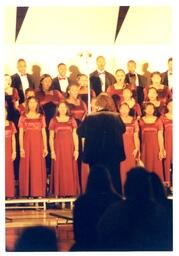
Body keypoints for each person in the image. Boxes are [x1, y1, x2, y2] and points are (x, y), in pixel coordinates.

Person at [98, 167, 172, 251]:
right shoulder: (161, 213)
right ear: (148, 188)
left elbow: (102, 234)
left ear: (126, 187)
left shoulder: (113, 212)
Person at [77, 93, 126, 195]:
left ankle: (96, 198)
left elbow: (80, 132)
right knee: (114, 176)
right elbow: (123, 130)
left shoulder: (90, 117)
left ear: (98, 104)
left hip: (95, 154)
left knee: (96, 177)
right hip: (113, 154)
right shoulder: (116, 117)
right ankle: (115, 198)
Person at [71, 165, 121, 251]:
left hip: (87, 246)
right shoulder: (116, 201)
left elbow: (78, 234)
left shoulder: (82, 202)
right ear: (108, 181)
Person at [18, 96, 48, 197]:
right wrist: (21, 148)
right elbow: (21, 133)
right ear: (27, 104)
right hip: (27, 143)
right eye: (30, 102)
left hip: (38, 144)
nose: (33, 104)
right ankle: (26, 192)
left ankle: (38, 192)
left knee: (37, 166)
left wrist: (45, 147)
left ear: (37, 104)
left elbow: (44, 132)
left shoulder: (41, 117)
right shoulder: (23, 116)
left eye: (34, 102)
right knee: (27, 166)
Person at [49, 101, 80, 197]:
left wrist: (76, 150)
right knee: (59, 169)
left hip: (69, 148)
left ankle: (70, 192)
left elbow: (75, 135)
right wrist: (52, 151)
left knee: (69, 168)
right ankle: (60, 193)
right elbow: (51, 137)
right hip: (58, 148)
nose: (62, 109)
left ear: (67, 109)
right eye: (60, 107)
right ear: (57, 109)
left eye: (64, 107)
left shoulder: (72, 120)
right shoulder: (53, 120)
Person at [139, 102, 166, 181]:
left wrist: (161, 149)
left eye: (152, 108)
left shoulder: (158, 121)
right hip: (144, 148)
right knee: (145, 167)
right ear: (144, 110)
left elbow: (160, 136)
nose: (150, 110)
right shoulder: (140, 121)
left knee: (156, 167)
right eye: (148, 108)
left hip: (155, 148)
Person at [119, 103, 140, 194]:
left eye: (126, 108)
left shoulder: (133, 121)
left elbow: (136, 136)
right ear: (119, 110)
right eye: (122, 108)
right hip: (119, 147)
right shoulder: (116, 120)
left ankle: (130, 190)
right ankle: (120, 190)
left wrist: (137, 148)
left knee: (131, 168)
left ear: (129, 110)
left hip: (131, 147)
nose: (124, 110)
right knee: (120, 168)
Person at [161, 100, 173, 187]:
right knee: (167, 164)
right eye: (170, 105)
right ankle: (167, 185)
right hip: (167, 144)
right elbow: (160, 133)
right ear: (167, 106)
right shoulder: (162, 118)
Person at [5, 107, 16, 198]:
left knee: (8, 171)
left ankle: (8, 193)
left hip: (8, 150)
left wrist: (14, 151)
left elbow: (13, 139)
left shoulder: (11, 124)